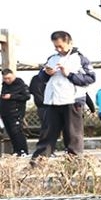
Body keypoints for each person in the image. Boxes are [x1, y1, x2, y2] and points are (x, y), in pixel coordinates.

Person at [31, 31, 96, 162]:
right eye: (56, 46)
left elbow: (90, 78)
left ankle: (74, 161)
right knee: (47, 133)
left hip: (73, 100)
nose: (58, 49)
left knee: (73, 134)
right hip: (52, 101)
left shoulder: (80, 59)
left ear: (69, 43)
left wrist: (69, 74)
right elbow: (41, 77)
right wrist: (47, 73)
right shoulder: (52, 59)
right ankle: (39, 161)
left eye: (60, 46)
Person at [1, 69, 30, 156]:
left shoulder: (20, 84)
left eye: (9, 78)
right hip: (5, 113)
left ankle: (23, 150)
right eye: (5, 78)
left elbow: (26, 96)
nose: (7, 80)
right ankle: (16, 151)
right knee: (10, 132)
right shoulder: (5, 85)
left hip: (16, 112)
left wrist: (12, 96)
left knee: (17, 132)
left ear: (13, 75)